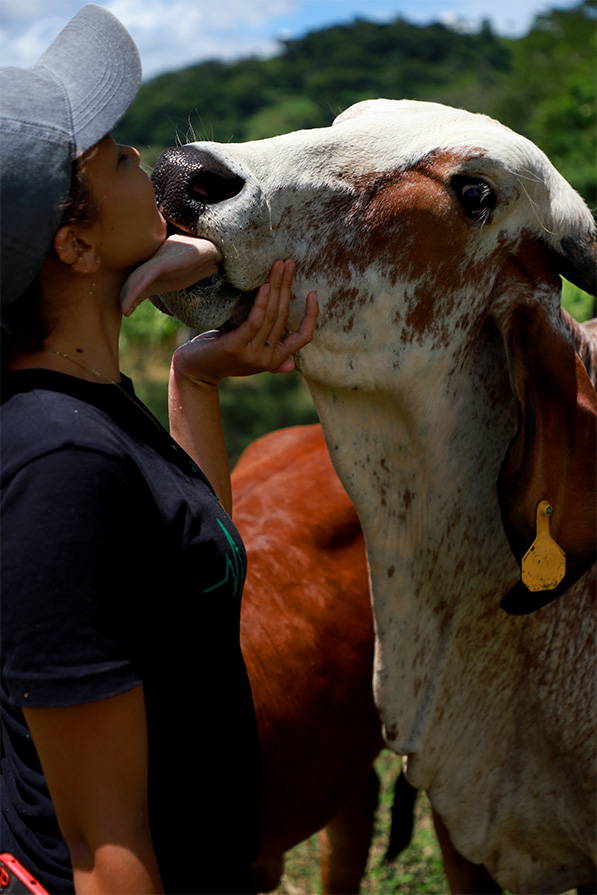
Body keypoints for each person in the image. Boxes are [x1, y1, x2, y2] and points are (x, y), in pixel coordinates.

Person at [0, 5, 318, 894]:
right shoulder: (56, 463)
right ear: (73, 240)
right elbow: (103, 845)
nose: (153, 162)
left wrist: (196, 378)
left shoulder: (87, 405)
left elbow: (190, 564)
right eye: (121, 159)